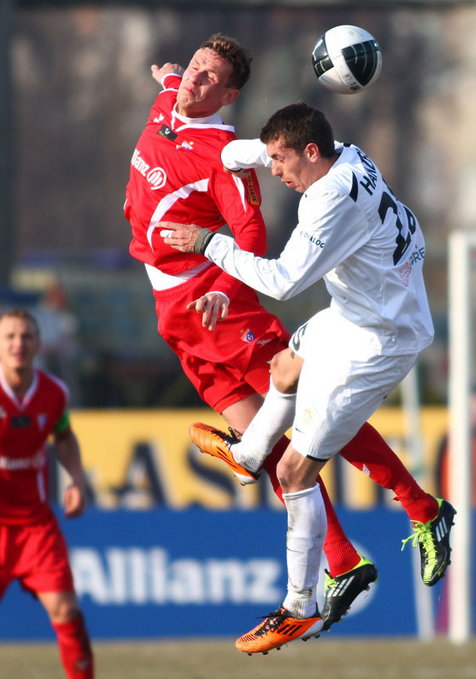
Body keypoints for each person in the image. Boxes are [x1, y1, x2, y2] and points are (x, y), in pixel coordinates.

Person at [158, 101, 457, 654]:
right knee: (284, 368)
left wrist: (210, 244)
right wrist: (219, 150)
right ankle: (248, 455)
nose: (275, 172)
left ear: (311, 153)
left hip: (380, 340)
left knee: (296, 472)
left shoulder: (327, 199)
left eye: (281, 161)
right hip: (359, 311)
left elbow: (283, 282)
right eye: (270, 159)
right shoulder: (348, 156)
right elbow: (275, 154)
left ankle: (303, 603)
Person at [0, 309, 94, 678]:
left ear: (38, 344)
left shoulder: (54, 393)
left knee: (67, 611)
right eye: (9, 337)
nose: (18, 344)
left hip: (37, 525)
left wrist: (77, 481)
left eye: (26, 337)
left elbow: (64, 435)